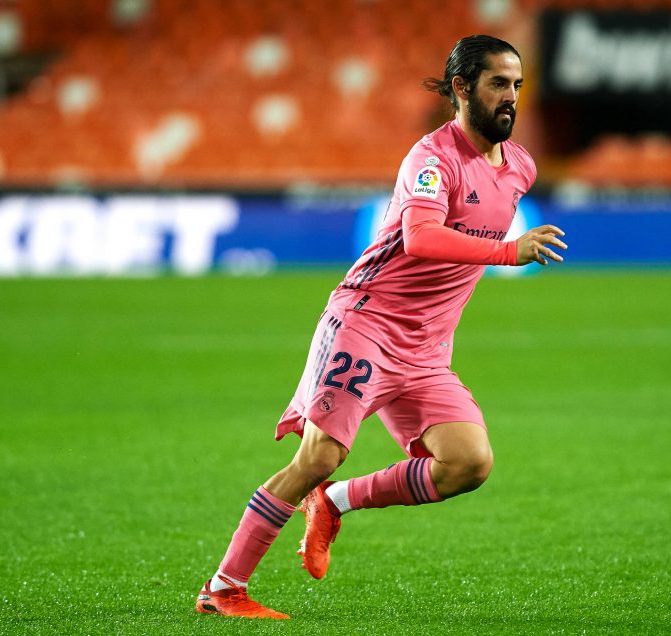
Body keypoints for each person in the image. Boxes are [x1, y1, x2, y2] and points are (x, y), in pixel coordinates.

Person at [195, 34, 567, 620]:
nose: (511, 97)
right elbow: (419, 237)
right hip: (366, 325)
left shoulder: (520, 166)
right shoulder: (432, 160)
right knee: (318, 457)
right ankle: (223, 588)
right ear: (461, 88)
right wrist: (507, 251)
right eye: (498, 83)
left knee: (468, 462)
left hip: (426, 350)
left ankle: (335, 503)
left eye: (517, 84)